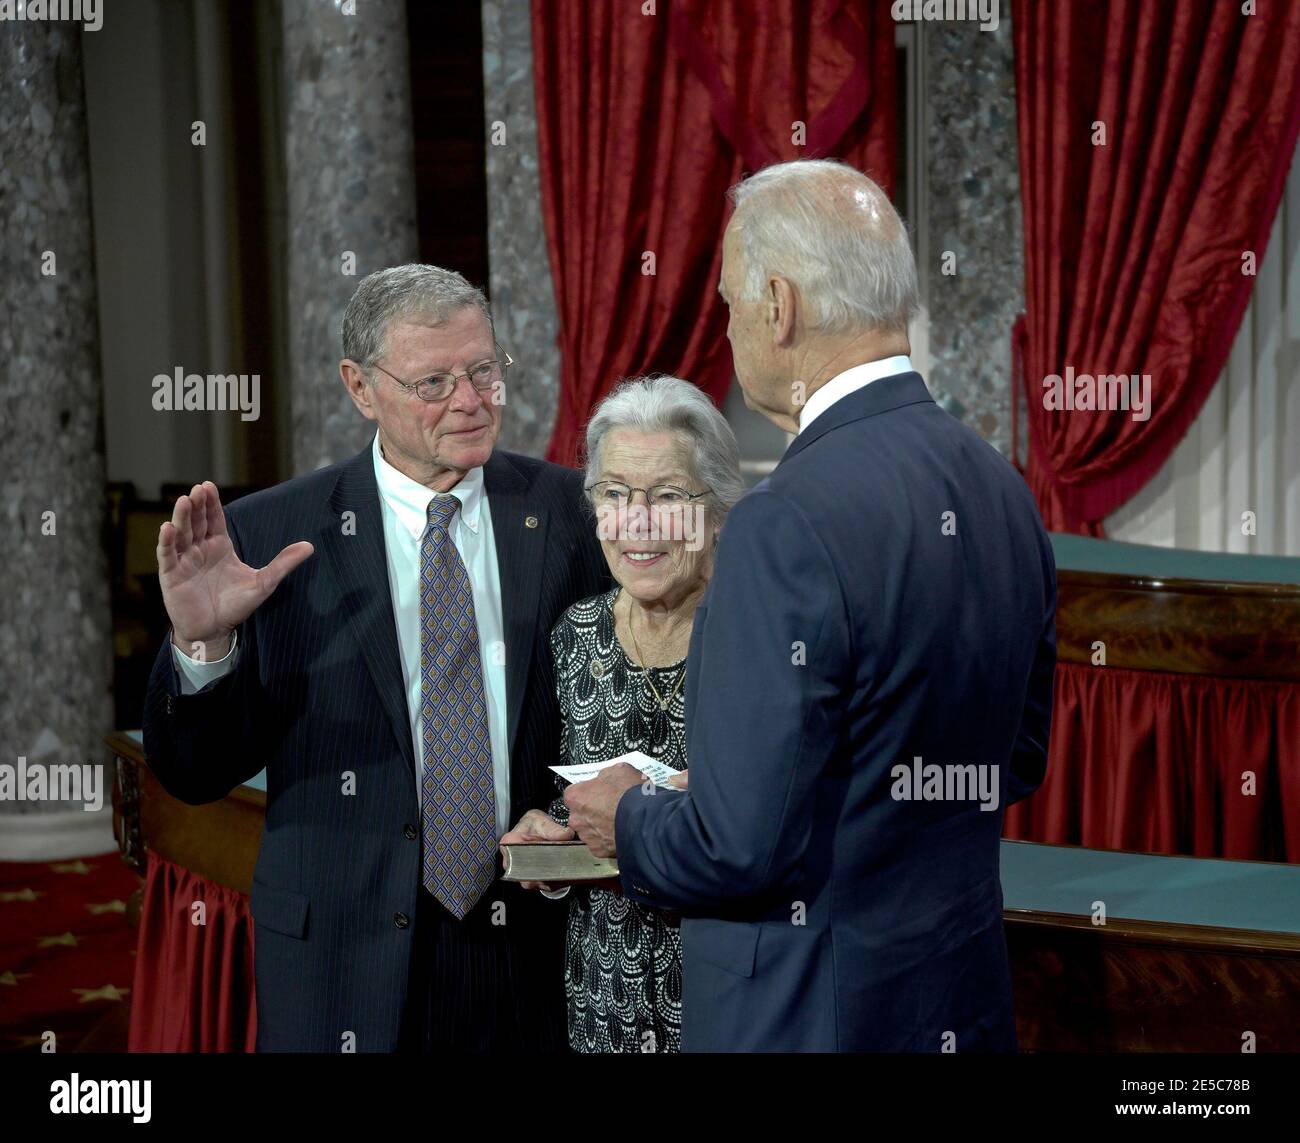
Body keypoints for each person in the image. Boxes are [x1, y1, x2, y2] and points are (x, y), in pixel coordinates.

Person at [564, 159, 1057, 1052]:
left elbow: (737, 849)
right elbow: (1014, 761)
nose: (725, 325)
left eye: (726, 302)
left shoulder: (781, 522)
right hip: (955, 995)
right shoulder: (1002, 487)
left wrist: (626, 816)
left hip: (811, 1015)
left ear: (778, 306)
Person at [142, 264, 609, 1052]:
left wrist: (568, 823)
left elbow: (617, 720)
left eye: (484, 371)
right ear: (361, 388)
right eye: (434, 381)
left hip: (530, 947)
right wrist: (203, 644)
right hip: (342, 958)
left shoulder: (571, 512)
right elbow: (192, 771)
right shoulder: (272, 538)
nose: (470, 400)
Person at [502, 375, 744, 1053]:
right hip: (598, 1010)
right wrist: (544, 837)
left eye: (667, 496)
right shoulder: (572, 634)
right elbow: (566, 805)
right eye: (614, 495)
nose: (637, 522)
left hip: (728, 1006)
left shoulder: (757, 640)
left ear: (718, 509)